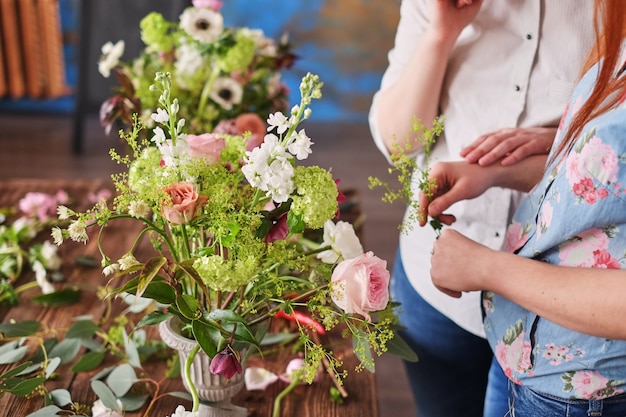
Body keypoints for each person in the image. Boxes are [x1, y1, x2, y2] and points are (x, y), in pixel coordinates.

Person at [368, 1, 595, 416]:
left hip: (557, 302)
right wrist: (441, 33)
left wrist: (561, 137)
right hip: (438, 284)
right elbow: (400, 146)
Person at [420, 1, 626, 415]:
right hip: (530, 348)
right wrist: (491, 173)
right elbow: (604, 183)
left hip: (586, 391)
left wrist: (487, 268)